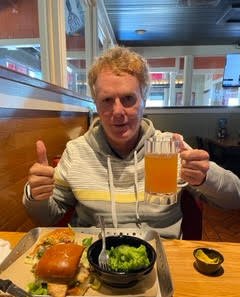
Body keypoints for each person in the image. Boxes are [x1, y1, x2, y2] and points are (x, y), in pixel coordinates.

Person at [23, 46, 240, 239]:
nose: (118, 112)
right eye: (107, 100)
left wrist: (205, 176)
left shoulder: (169, 148)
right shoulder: (77, 151)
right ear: (96, 105)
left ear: (144, 100)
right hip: (95, 257)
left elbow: (235, 198)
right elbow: (48, 218)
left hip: (162, 257)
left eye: (128, 99)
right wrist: (37, 196)